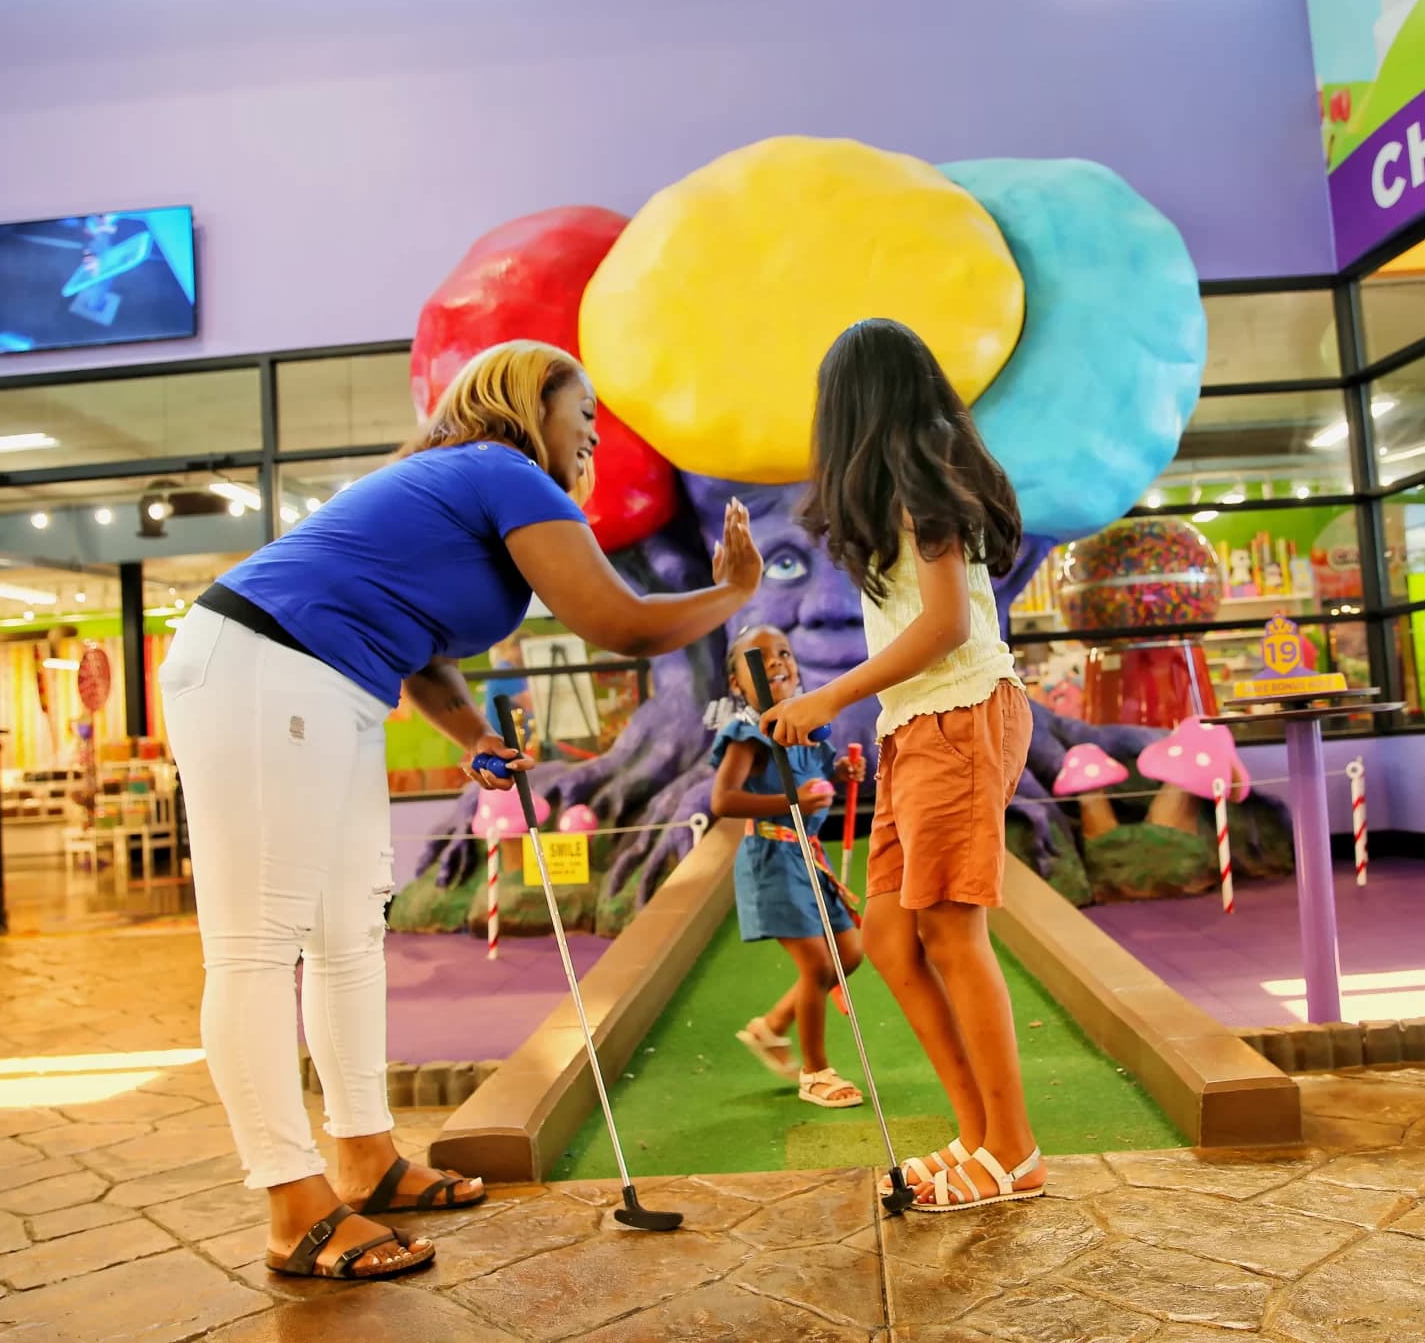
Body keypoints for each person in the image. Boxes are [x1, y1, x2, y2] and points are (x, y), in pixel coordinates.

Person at [158, 339, 761, 1280]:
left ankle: (363, 1158)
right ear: (531, 408)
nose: (595, 432)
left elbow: (420, 640)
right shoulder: (503, 469)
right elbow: (622, 624)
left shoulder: (465, 486)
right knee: (258, 943)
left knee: (349, 932)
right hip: (265, 665)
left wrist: (473, 733)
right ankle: (292, 1202)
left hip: (335, 682)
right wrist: (733, 592)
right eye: (584, 412)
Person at [761, 317, 1043, 1213]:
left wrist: (826, 695)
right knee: (887, 937)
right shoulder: (902, 488)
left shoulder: (926, 485)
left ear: (850, 405)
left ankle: (1014, 1148)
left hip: (958, 714)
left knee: (954, 934)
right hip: (914, 724)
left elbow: (947, 626)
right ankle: (977, 1136)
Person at [709, 624, 868, 1109]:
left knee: (850, 953)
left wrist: (841, 772)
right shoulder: (747, 735)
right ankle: (815, 1072)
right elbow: (722, 800)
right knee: (819, 965)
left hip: (807, 856)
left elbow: (820, 773)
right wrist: (791, 798)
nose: (776, 661)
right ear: (738, 684)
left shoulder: (806, 728)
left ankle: (773, 1026)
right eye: (758, 659)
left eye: (783, 652)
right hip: (771, 858)